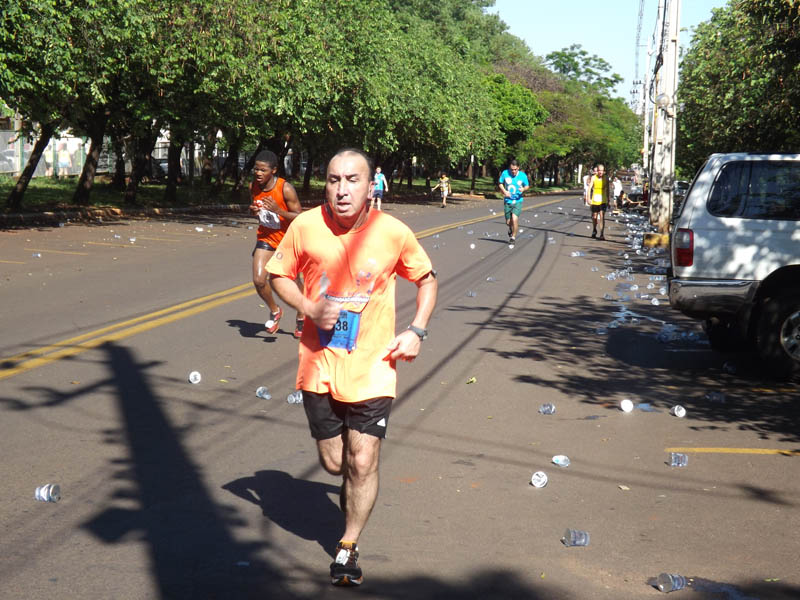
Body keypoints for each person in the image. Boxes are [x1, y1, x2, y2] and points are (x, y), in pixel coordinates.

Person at [267, 148, 437, 587]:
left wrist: (416, 331)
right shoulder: (305, 226)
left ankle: (347, 545)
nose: (342, 190)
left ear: (370, 185)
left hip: (373, 366)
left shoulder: (392, 231)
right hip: (318, 364)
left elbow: (426, 279)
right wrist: (308, 306)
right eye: (333, 180)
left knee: (362, 460)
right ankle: (355, 478)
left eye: (352, 180)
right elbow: (278, 274)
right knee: (334, 462)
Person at [248, 150, 305, 337]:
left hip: (288, 241)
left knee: (293, 281)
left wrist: (279, 210)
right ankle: (275, 310)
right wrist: (253, 211)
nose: (258, 173)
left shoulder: (285, 189)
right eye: (256, 169)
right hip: (266, 238)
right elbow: (257, 212)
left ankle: (302, 314)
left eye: (263, 170)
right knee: (259, 280)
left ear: (273, 170)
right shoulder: (253, 186)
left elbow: (300, 217)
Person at [498, 159, 529, 242]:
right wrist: (504, 191)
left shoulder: (522, 175)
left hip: (518, 201)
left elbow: (527, 186)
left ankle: (513, 237)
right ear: (509, 168)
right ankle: (510, 228)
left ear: (518, 168)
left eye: (515, 169)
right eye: (512, 169)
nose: (513, 171)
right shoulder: (505, 173)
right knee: (508, 222)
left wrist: (523, 189)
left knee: (514, 218)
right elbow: (500, 183)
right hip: (508, 201)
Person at [585, 163, 610, 240]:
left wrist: (608, 200)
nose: (600, 172)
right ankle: (594, 229)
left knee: (602, 216)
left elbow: (608, 189)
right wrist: (588, 198)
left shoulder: (606, 178)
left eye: (602, 170)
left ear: (604, 171)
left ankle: (602, 233)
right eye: (599, 170)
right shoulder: (593, 178)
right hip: (595, 200)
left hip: (603, 200)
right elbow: (589, 188)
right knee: (594, 216)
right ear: (597, 171)